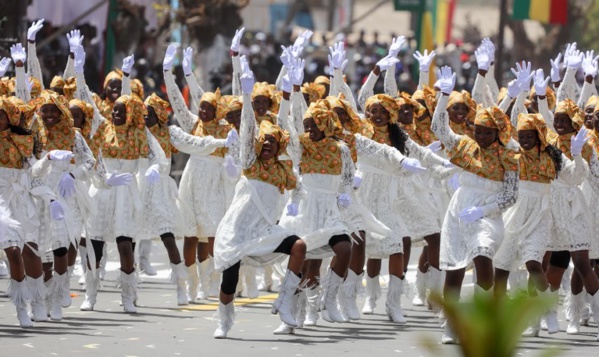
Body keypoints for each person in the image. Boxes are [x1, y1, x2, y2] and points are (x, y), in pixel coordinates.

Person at [212, 64, 305, 338]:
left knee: (299, 246)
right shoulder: (250, 163)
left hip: (264, 230)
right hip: (238, 229)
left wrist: (296, 203)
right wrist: (246, 92)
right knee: (230, 280)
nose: (267, 146)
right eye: (263, 142)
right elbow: (248, 126)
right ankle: (223, 320)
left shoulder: (283, 171)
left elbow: (299, 188)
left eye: (272, 144)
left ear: (279, 148)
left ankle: (285, 299)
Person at [432, 66, 520, 344]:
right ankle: (452, 324)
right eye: (478, 131)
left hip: (487, 215)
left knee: (483, 255)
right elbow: (438, 128)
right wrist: (443, 96)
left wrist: (483, 211)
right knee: (454, 269)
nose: (481, 136)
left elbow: (511, 195)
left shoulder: (510, 155)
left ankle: (483, 318)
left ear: (497, 132)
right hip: (459, 210)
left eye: (486, 132)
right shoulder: (465, 146)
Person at [163, 44, 237, 302]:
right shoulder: (194, 124)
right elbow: (182, 101)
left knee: (212, 231)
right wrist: (172, 72)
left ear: (217, 112)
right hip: (192, 181)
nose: (203, 111)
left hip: (215, 183)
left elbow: (233, 156)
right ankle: (191, 285)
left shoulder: (226, 130)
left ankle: (210, 281)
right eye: (202, 108)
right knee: (191, 234)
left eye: (208, 109)